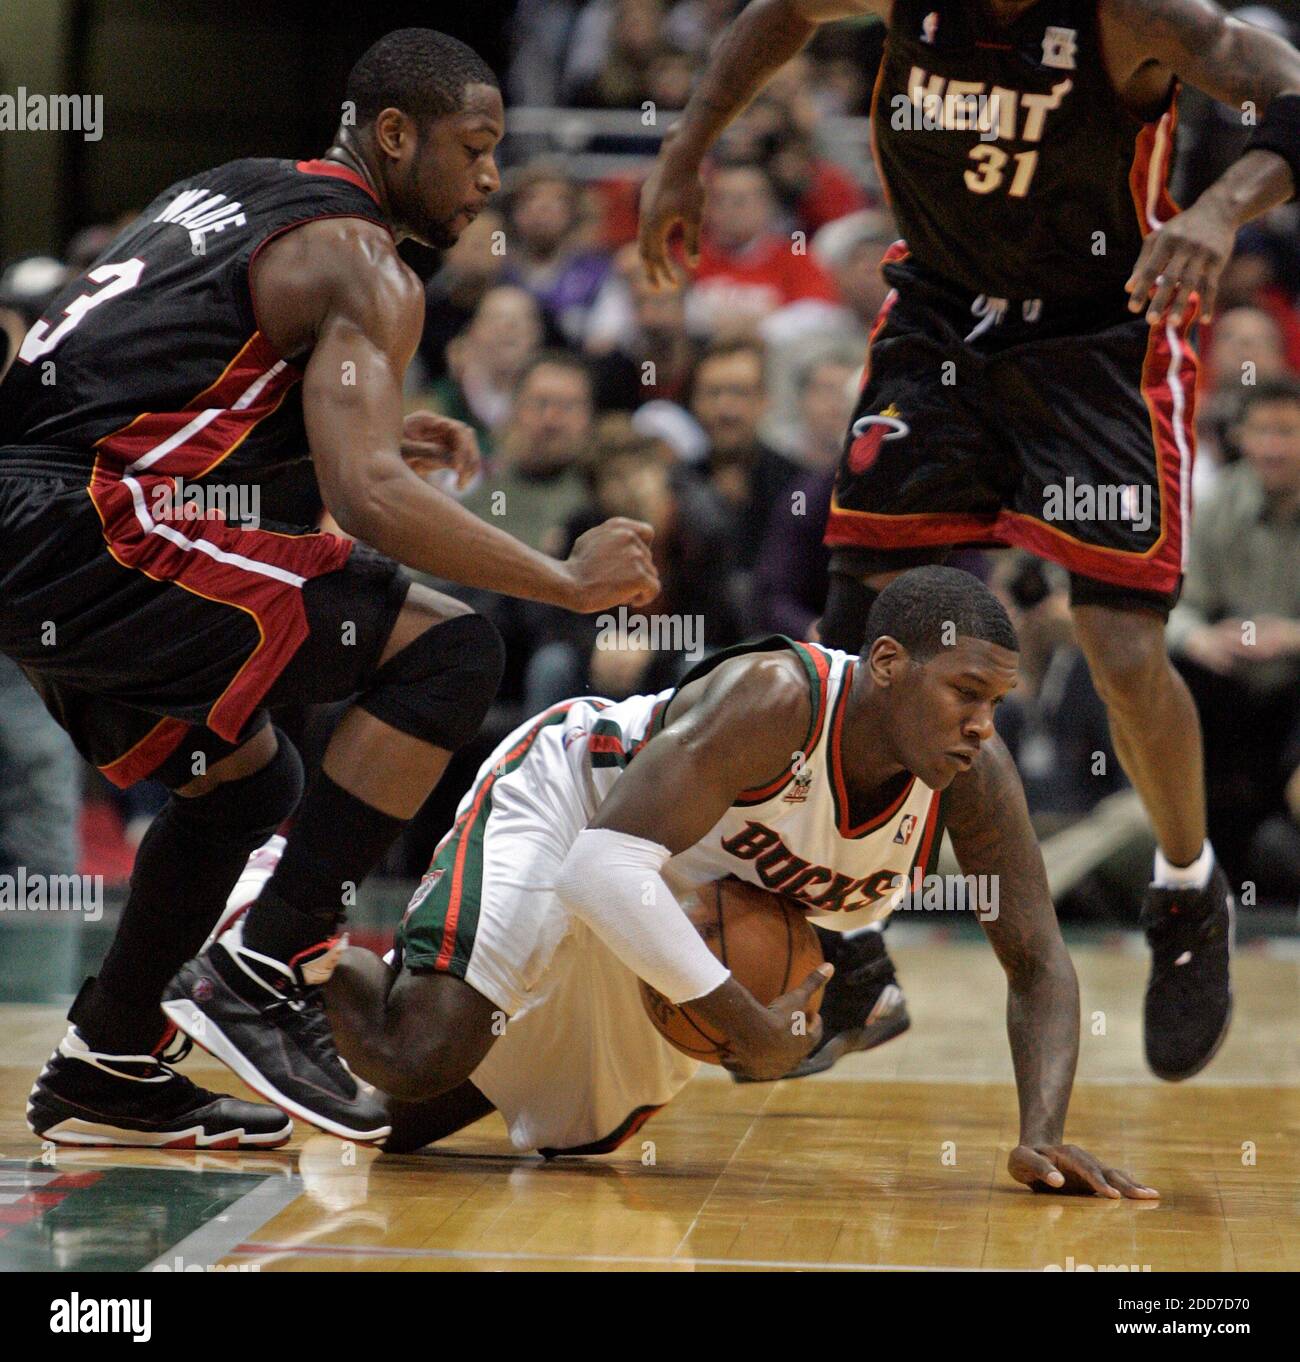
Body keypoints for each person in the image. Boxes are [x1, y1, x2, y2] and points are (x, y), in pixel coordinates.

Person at [4, 28, 659, 1150]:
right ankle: (265, 965)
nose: (491, 177)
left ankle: (109, 1057)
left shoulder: (232, 189)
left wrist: (322, 433)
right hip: (92, 527)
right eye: (476, 146)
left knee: (246, 786)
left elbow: (143, 378)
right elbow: (366, 501)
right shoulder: (365, 260)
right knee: (449, 649)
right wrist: (559, 579)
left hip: (35, 527)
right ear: (394, 134)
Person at [640, 0, 1300, 1083]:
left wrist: (1221, 207)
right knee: (862, 634)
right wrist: (686, 145)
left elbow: (1281, 85)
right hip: (941, 319)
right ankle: (853, 938)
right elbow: (779, 12)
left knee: (1121, 645)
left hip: (1102, 327)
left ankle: (1186, 887)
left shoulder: (1131, 16)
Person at [285, 568, 1155, 1199]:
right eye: (966, 693)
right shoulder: (779, 696)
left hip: (665, 902)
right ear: (887, 662)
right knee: (416, 1051)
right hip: (578, 810)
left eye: (997, 704)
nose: (981, 725)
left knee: (399, 1123)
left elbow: (1038, 962)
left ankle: (445, 1012)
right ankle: (283, 924)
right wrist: (750, 1027)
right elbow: (599, 865)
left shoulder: (974, 774)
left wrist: (1041, 1136)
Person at [1166, 377, 1300, 892]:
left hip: (1294, 689)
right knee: (1183, 677)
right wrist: (1199, 638)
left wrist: (1290, 637)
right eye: (1262, 432)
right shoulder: (1220, 502)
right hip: (1236, 685)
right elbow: (1179, 608)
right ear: (1241, 437)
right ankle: (1195, 867)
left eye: (1287, 432)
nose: (1273, 447)